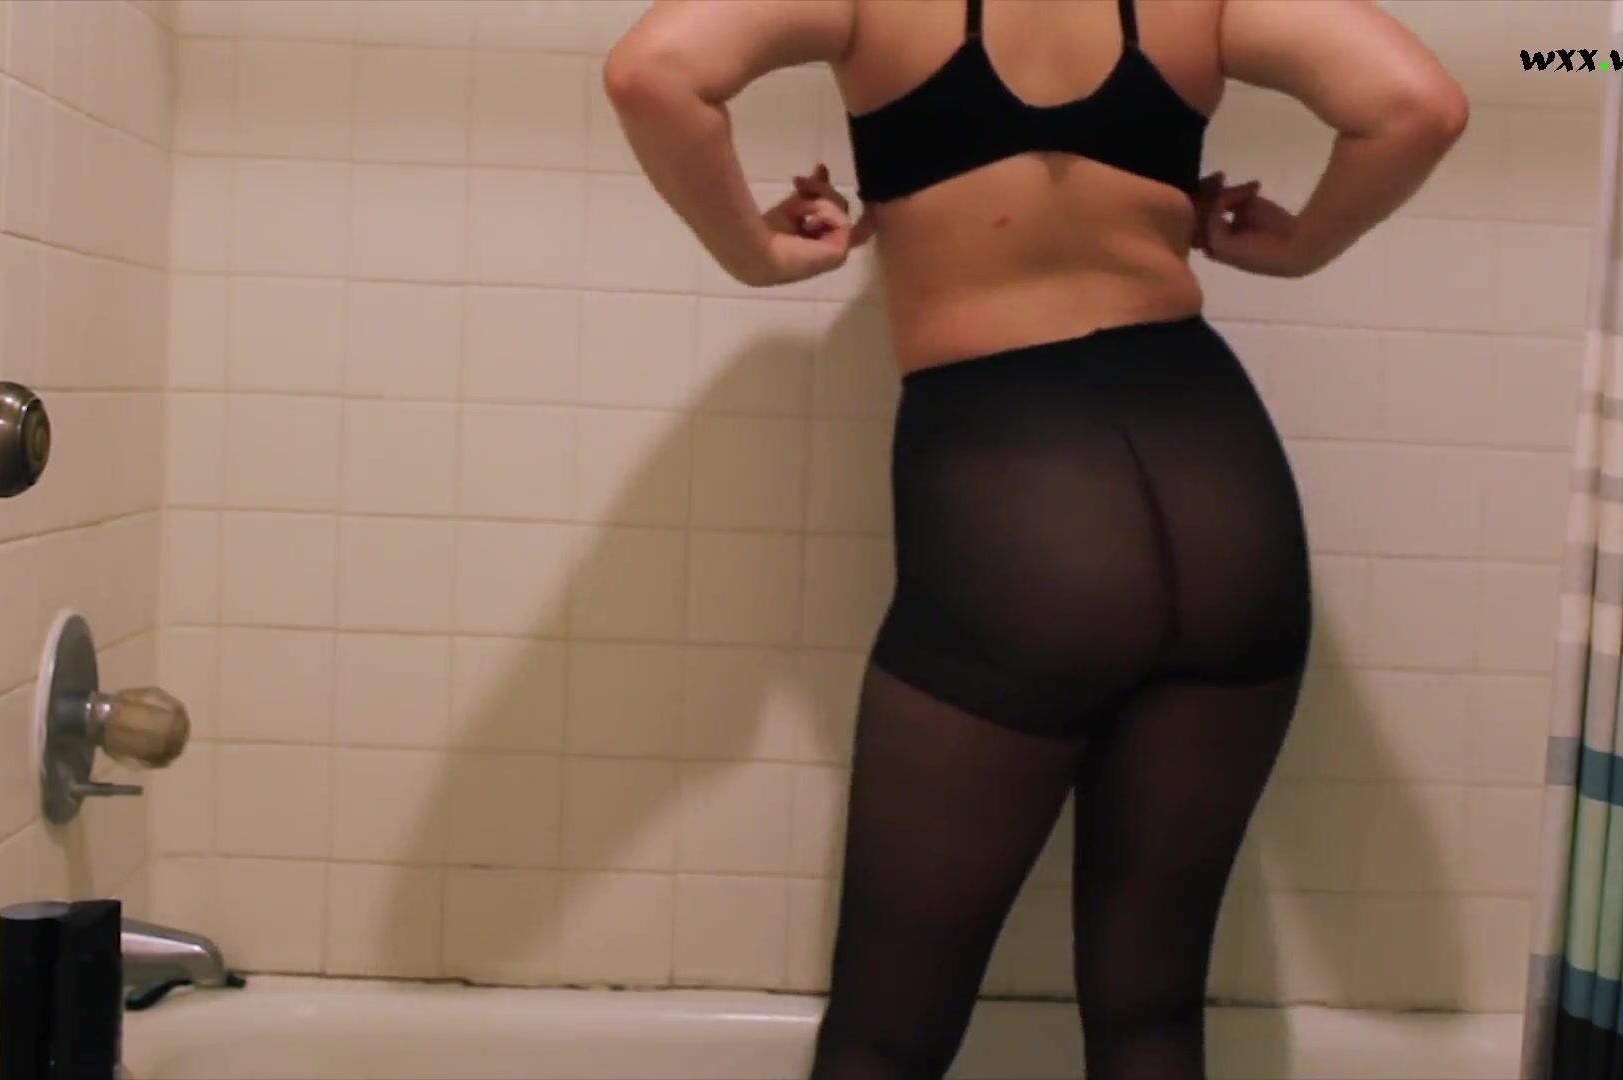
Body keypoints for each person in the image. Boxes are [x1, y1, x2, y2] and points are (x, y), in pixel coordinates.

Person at [604, 1, 1466, 1077]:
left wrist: (760, 254)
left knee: (888, 1034)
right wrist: (1298, 246)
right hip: (1224, 492)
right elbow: (1418, 105)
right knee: (1150, 1014)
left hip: (1020, 504)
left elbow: (655, 71)